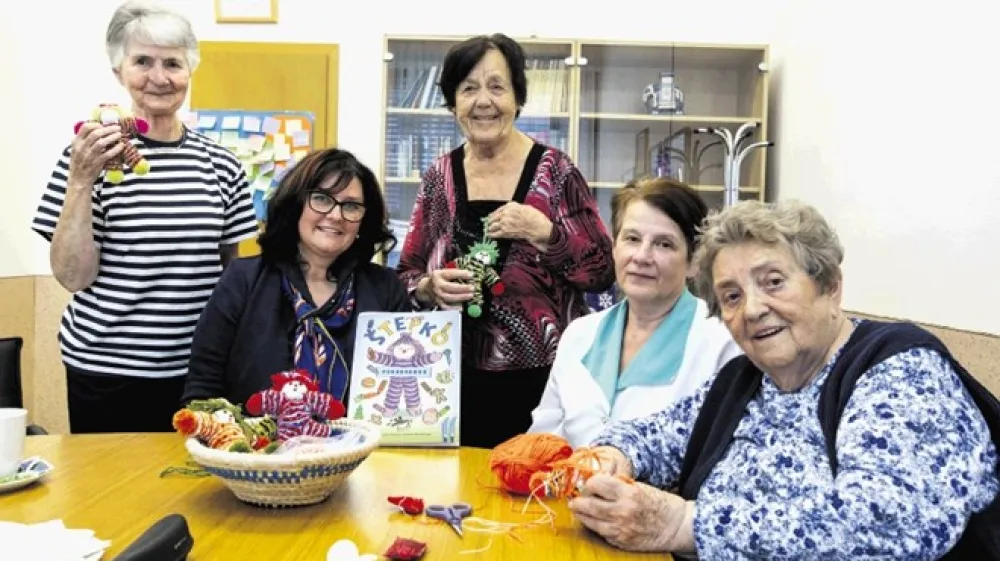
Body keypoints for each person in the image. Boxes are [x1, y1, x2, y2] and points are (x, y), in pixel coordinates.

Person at [567, 200, 1000, 560]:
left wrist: (684, 524)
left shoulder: (899, 370)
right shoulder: (747, 380)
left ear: (830, 286)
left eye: (773, 282)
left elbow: (888, 524)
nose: (752, 309)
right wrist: (614, 454)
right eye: (732, 296)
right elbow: (657, 434)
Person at [30, 0, 258, 434]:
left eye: (173, 63)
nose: (159, 77)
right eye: (142, 62)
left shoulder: (222, 165)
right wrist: (80, 179)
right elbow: (72, 277)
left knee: (194, 492)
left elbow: (230, 274)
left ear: (189, 72)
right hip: (104, 372)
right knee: (111, 495)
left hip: (197, 373)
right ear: (120, 72)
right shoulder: (83, 159)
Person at [396, 33, 615, 449]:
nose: (484, 101)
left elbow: (603, 270)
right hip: (452, 380)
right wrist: (428, 286)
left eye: (497, 86)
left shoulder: (556, 172)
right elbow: (406, 274)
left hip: (546, 383)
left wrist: (545, 232)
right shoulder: (439, 178)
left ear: (517, 97)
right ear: (453, 103)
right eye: (469, 89)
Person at [182, 148, 410, 410]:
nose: (336, 215)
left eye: (351, 206)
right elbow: (202, 391)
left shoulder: (385, 289)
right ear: (296, 204)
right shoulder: (243, 280)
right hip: (254, 448)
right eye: (322, 199)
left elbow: (401, 397)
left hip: (359, 448)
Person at [527, 178, 741, 447]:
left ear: (694, 263)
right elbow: (542, 441)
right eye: (632, 239)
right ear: (614, 247)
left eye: (664, 244)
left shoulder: (722, 342)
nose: (641, 256)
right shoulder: (579, 334)